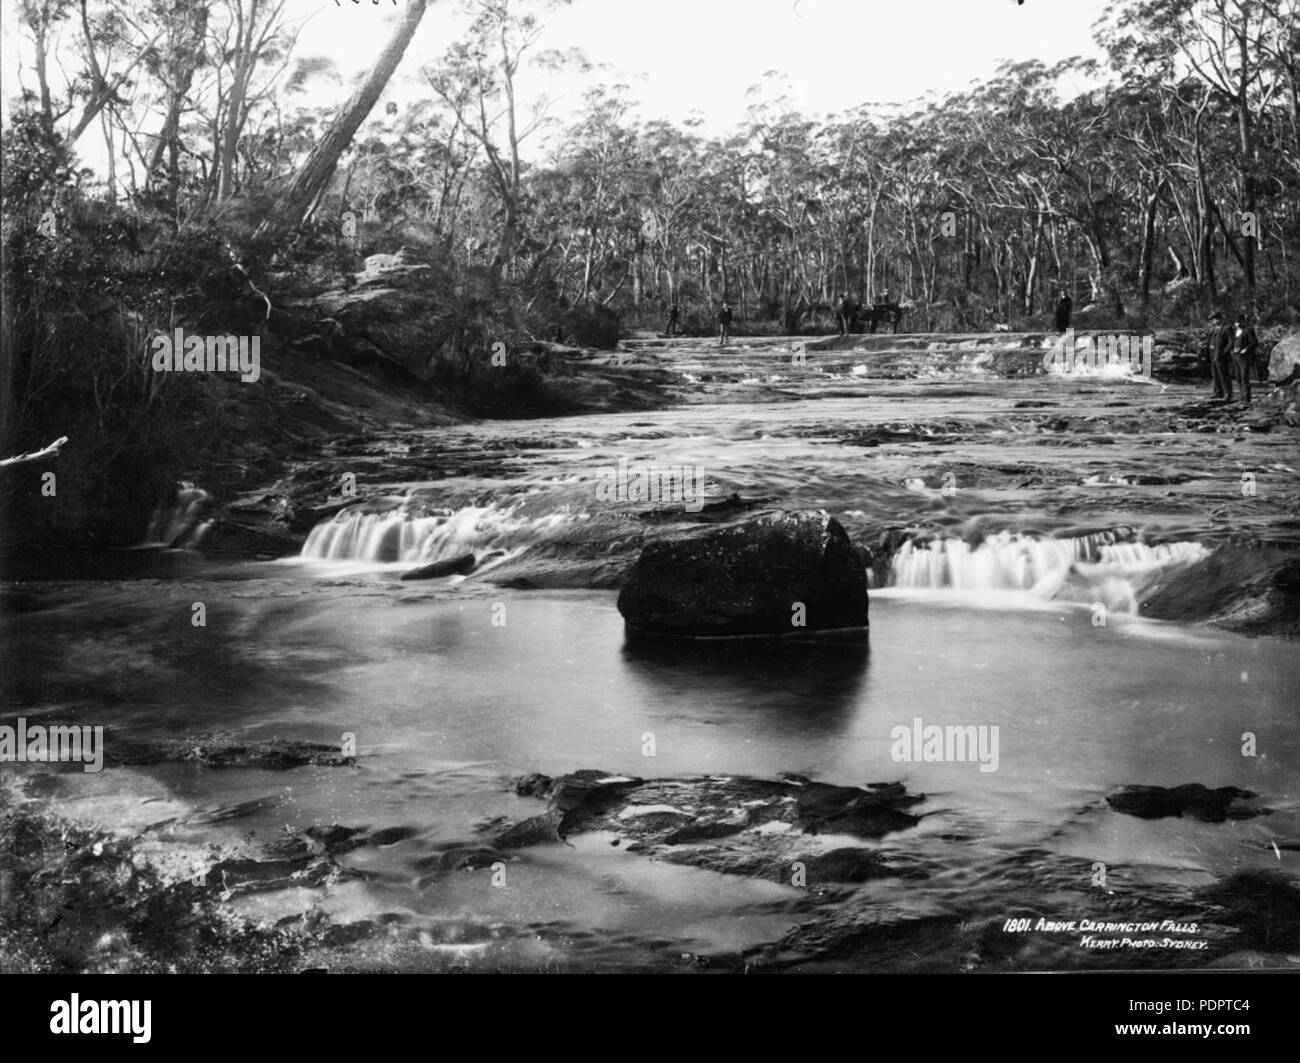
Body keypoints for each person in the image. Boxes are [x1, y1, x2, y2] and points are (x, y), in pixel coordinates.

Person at [1230, 312, 1257, 405]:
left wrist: (1246, 349)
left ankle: (1246, 398)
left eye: (1239, 322)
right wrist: (1231, 350)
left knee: (1244, 376)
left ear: (1243, 321)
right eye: (1235, 322)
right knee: (1238, 377)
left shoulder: (1248, 330)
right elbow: (1232, 343)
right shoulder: (1234, 332)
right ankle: (1242, 396)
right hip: (1235, 356)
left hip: (1244, 357)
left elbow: (1254, 342)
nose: (1237, 324)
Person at [1204, 312, 1233, 399]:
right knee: (1215, 374)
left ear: (1222, 319)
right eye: (1213, 320)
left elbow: (1231, 341)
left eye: (1217, 319)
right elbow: (1209, 341)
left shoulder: (1227, 328)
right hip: (1212, 354)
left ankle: (1227, 393)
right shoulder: (1213, 330)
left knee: (1223, 374)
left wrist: (1225, 352)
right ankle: (1218, 392)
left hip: (1221, 355)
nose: (1215, 321)